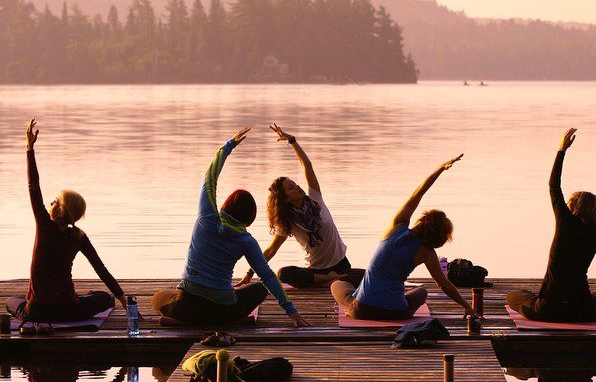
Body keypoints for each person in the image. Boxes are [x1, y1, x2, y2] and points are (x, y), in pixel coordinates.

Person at [151, 127, 309, 327]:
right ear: (249, 217)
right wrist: (291, 311)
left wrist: (229, 146)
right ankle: (221, 311)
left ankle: (182, 319)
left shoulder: (206, 217)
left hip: (187, 308)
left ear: (226, 205)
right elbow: (267, 276)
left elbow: (210, 178)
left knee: (157, 298)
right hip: (224, 312)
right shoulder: (246, 241)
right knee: (259, 289)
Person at [507, 128, 596, 323]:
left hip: (547, 310)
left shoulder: (565, 222)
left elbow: (554, 185)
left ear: (572, 207)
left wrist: (561, 150)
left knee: (514, 295)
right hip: (582, 311)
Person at [6, 119, 128, 326]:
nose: (50, 202)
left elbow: (33, 186)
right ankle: (95, 298)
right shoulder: (78, 236)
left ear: (60, 209)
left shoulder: (44, 225)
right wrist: (121, 298)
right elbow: (101, 269)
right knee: (103, 297)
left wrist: (29, 148)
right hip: (69, 311)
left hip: (36, 311)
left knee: (12, 301)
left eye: (54, 201)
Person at [331, 153, 480, 321]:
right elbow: (443, 284)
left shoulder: (397, 227)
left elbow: (418, 193)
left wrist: (440, 169)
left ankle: (350, 309)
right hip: (396, 313)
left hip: (363, 310)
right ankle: (361, 304)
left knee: (337, 284)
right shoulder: (427, 253)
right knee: (422, 292)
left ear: (423, 220)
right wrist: (467, 306)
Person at [238, 123, 364, 289]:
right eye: (291, 188)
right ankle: (332, 282)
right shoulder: (288, 221)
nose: (297, 187)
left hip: (341, 267)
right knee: (283, 273)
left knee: (369, 276)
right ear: (286, 199)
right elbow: (271, 250)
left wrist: (292, 141)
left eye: (295, 183)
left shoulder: (315, 199)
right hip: (315, 272)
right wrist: (249, 274)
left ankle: (330, 282)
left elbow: (307, 165)